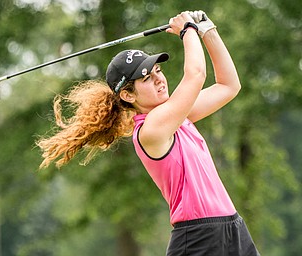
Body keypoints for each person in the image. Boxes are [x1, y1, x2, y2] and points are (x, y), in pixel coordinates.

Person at [37, 10, 260, 256]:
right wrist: (187, 30)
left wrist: (208, 31)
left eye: (158, 71)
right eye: (146, 78)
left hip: (232, 228)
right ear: (128, 95)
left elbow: (229, 85)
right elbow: (196, 74)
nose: (159, 79)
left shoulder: (178, 116)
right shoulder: (151, 130)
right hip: (198, 237)